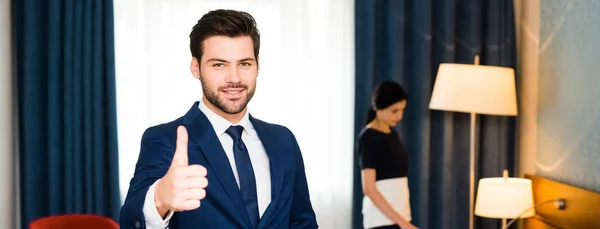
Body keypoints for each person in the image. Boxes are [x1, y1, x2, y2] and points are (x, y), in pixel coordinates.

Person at [119, 9, 318, 229]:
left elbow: (302, 221)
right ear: (196, 68)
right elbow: (130, 221)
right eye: (219, 65)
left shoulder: (284, 140)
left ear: (258, 65)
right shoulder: (165, 139)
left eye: (244, 63)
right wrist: (159, 199)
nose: (234, 78)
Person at [357, 80, 418, 229]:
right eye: (394, 111)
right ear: (378, 108)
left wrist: (403, 221)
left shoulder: (393, 134)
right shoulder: (369, 138)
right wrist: (402, 223)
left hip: (399, 217)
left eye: (402, 110)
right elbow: (369, 188)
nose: (400, 116)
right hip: (381, 221)